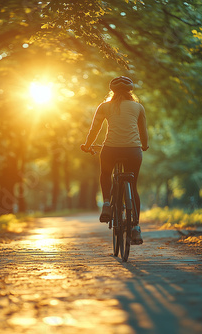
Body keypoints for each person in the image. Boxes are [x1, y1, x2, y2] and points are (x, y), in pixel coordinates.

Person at [81, 76, 149, 244]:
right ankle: (135, 228)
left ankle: (106, 204)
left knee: (105, 174)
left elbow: (94, 129)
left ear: (112, 91)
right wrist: (144, 146)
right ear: (130, 92)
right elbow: (143, 132)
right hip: (133, 151)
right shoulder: (138, 107)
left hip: (110, 150)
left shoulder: (104, 107)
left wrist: (87, 145)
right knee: (133, 186)